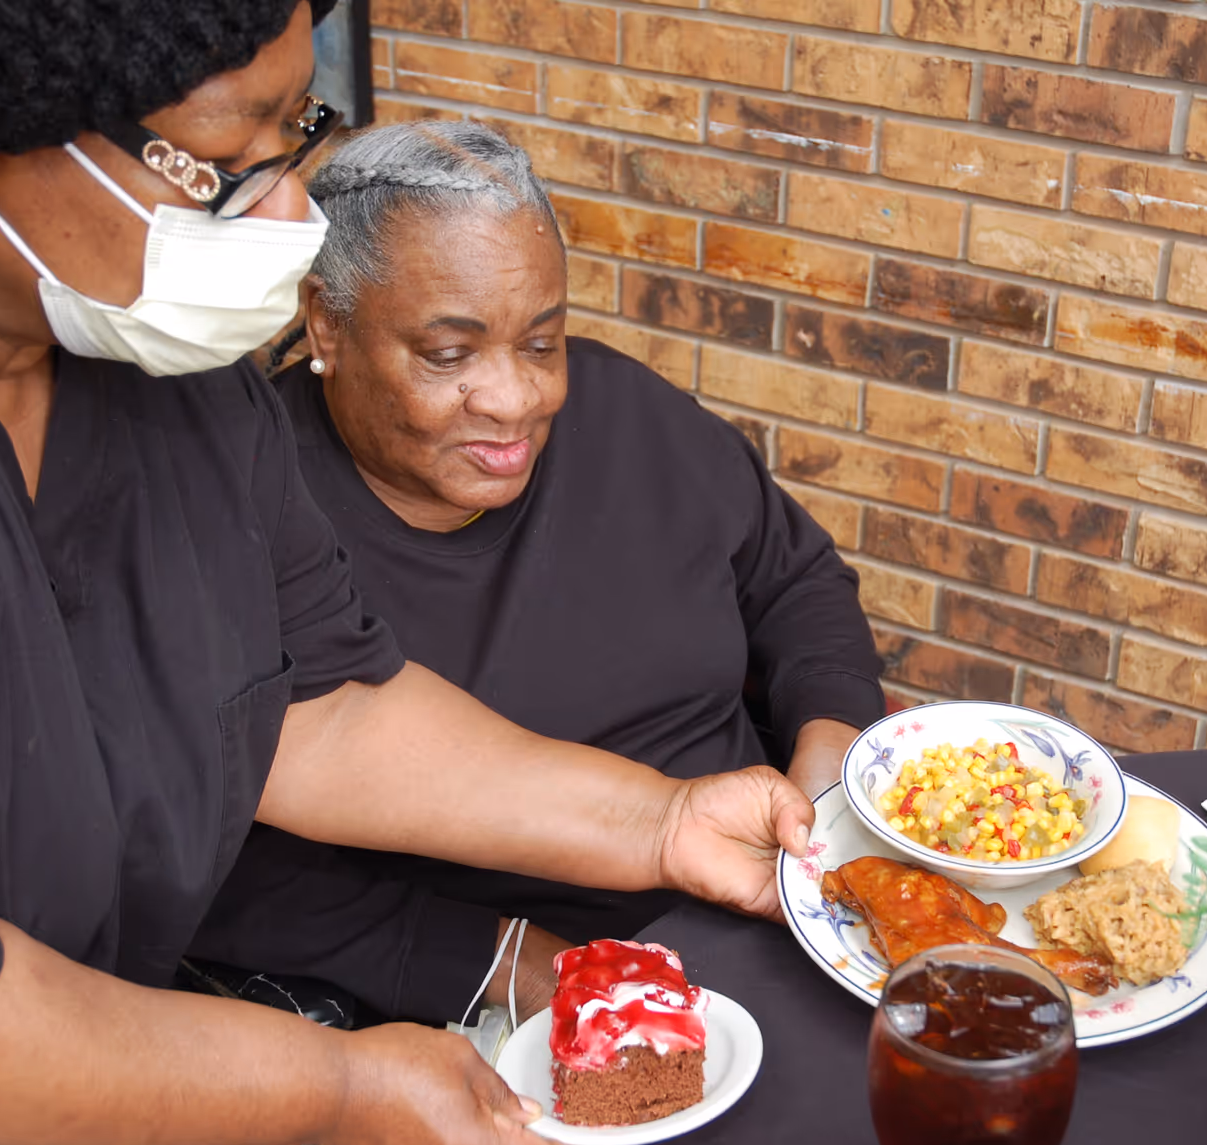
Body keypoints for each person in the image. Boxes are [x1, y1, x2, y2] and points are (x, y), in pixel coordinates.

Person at [0, 6, 814, 1145]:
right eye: (225, 152)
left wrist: (661, 820)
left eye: (294, 127)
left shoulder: (153, 366)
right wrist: (337, 1086)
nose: (286, 217)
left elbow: (323, 706)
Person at [190, 122, 886, 1022]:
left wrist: (830, 786)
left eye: (542, 342)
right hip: (517, 990)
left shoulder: (628, 415)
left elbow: (797, 582)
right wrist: (517, 966)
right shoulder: (243, 501)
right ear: (328, 319)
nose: (517, 399)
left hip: (775, 900)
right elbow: (230, 859)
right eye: (449, 355)